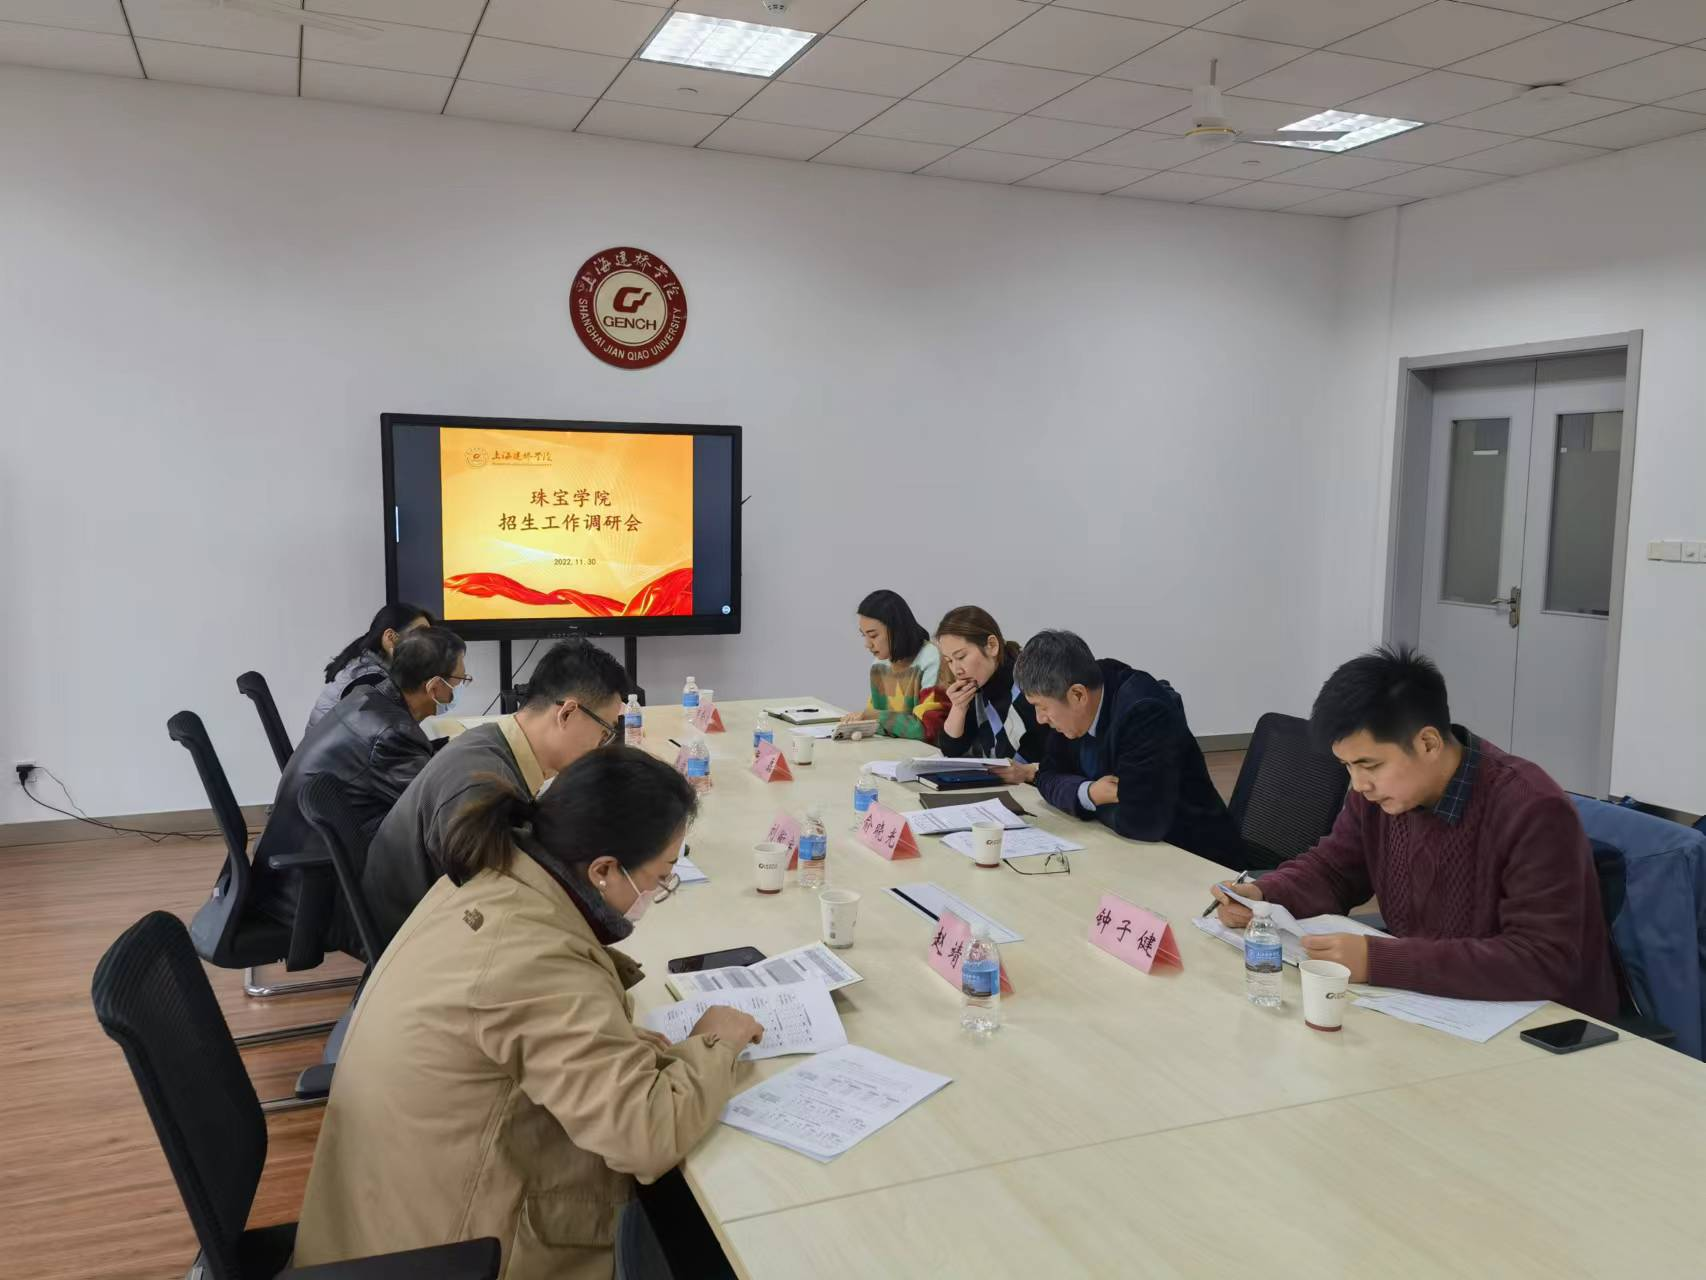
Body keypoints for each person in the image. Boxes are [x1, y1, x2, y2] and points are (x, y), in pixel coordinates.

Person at [292, 747, 763, 1280]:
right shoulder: (533, 960)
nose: (657, 891)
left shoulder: (495, 876)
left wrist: (618, 1042)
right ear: (604, 870)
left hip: (390, 1216)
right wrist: (717, 1042)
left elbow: (516, 1028)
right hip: (458, 1250)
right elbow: (645, 1137)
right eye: (661, 876)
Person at [1212, 646, 1617, 1017]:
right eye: (1347, 767)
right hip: (1433, 1004)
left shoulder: (1531, 808)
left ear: (1428, 743)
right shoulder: (1382, 796)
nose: (1359, 784)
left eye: (1370, 765)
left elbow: (1542, 959)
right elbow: (1335, 870)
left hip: (1541, 1024)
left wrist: (1379, 961)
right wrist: (1265, 896)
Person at [362, 637, 630, 947]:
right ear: (567, 713)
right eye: (605, 731)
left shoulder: (491, 742)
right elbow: (490, 915)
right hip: (420, 941)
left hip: (431, 920)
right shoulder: (482, 787)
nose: (602, 745)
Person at [250, 627, 468, 952]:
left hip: (286, 876)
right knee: (463, 852)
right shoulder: (392, 734)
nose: (461, 687)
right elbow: (438, 809)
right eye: (461, 680)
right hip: (318, 894)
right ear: (434, 686)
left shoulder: (368, 696)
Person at [1017, 630, 1242, 867]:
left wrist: (1077, 796)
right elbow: (1047, 776)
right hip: (1129, 850)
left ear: (1078, 695)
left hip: (1196, 859)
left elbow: (1141, 820)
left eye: (1042, 707)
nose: (1040, 718)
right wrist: (1091, 793)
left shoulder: (1144, 712)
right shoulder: (1072, 701)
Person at [934, 605, 1048, 785]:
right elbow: (951, 750)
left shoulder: (1031, 683)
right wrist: (958, 708)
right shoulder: (977, 686)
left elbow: (1060, 758)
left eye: (961, 657)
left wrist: (1029, 773)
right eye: (949, 661)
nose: (957, 670)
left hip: (1039, 788)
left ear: (992, 646)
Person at [308, 602, 434, 734]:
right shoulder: (369, 679)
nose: (429, 645)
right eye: (421, 636)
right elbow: (389, 734)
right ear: (390, 638)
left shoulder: (368, 664)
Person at [841, 589, 947, 743]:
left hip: (928, 754)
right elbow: (876, 722)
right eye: (864, 635)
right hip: (894, 751)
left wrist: (875, 717)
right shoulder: (879, 665)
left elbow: (929, 730)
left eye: (873, 635)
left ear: (897, 630)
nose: (867, 644)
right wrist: (861, 721)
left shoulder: (932, 659)